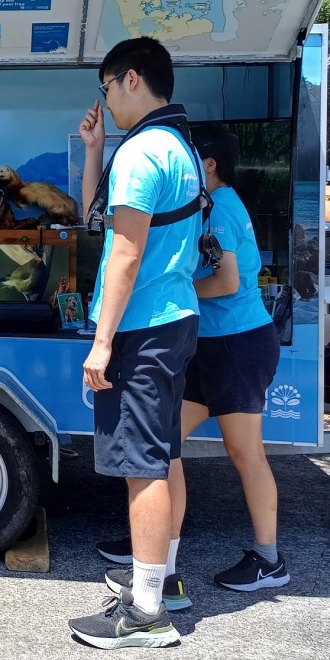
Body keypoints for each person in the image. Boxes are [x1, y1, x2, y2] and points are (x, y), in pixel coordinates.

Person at [94, 134, 288, 606]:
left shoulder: (220, 209)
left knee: (245, 452)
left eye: (194, 158)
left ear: (211, 164)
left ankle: (269, 560)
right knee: (164, 446)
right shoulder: (210, 204)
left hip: (238, 342)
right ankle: (154, 549)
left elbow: (228, 281)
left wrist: (170, 290)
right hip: (210, 341)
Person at [66, 37, 203, 650]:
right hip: (173, 318)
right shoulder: (177, 146)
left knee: (140, 467)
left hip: (140, 327)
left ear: (129, 79)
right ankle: (162, 580)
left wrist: (101, 343)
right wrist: (94, 151)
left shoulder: (143, 151)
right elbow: (101, 219)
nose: (105, 101)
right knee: (164, 457)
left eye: (105, 88)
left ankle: (146, 614)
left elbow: (123, 252)